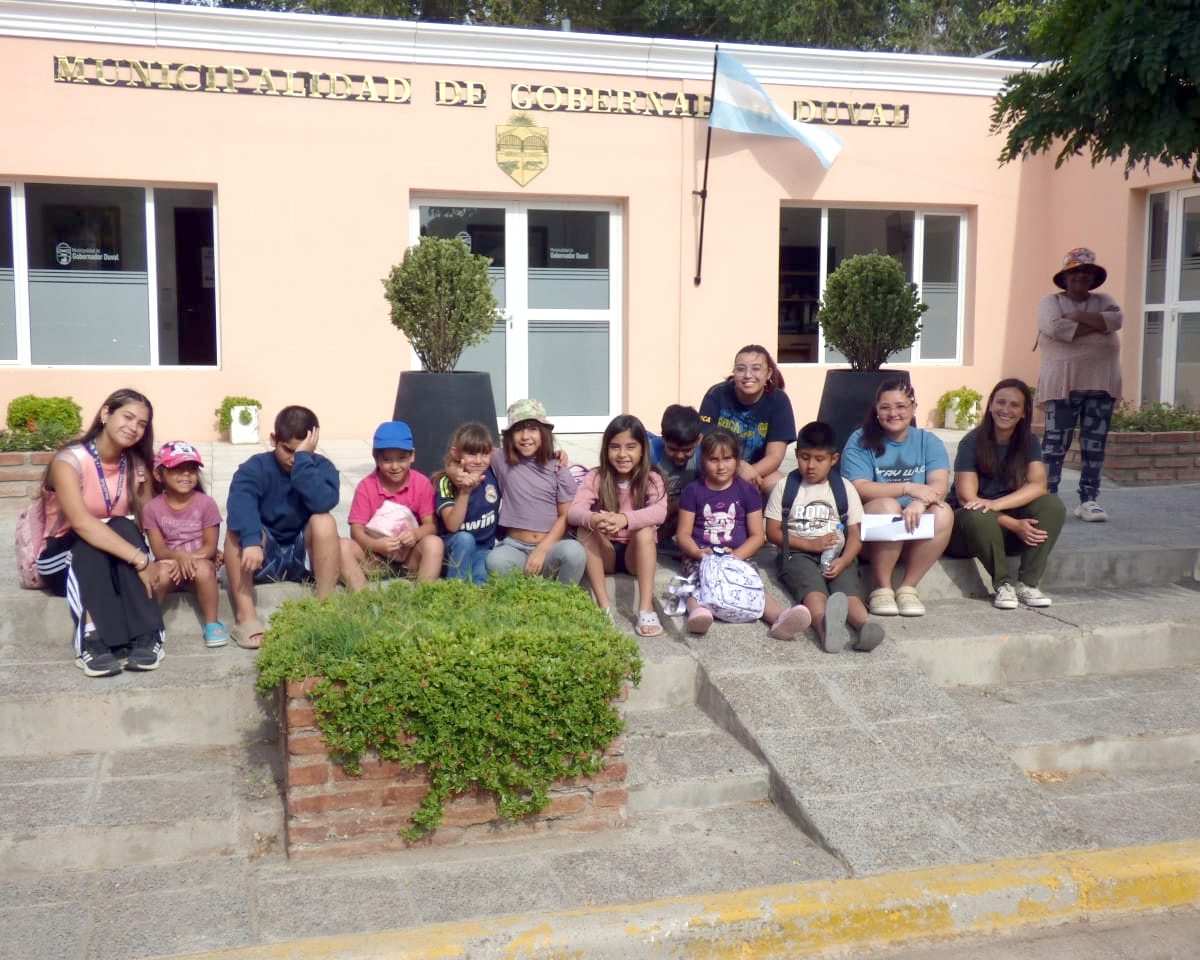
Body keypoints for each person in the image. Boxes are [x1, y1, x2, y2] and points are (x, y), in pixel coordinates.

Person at [33, 388, 164, 677]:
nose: (133, 427)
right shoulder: (69, 461)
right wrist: (140, 560)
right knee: (89, 540)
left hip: (108, 551)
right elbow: (81, 522)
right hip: (61, 555)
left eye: (141, 424)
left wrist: (167, 558)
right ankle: (92, 638)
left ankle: (147, 636)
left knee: (122, 525)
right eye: (127, 417)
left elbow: (148, 521)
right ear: (106, 414)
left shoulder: (135, 465)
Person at [224, 405, 343, 649]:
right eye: (288, 450)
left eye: (301, 451)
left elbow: (323, 502)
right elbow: (241, 504)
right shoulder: (254, 467)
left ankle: (326, 607)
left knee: (324, 520)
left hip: (301, 553)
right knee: (236, 532)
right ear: (273, 440)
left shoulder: (321, 468)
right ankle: (246, 617)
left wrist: (304, 464)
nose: (293, 458)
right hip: (263, 553)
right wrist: (251, 541)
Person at [676, 427, 811, 640]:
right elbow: (683, 533)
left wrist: (735, 557)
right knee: (695, 582)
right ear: (703, 460)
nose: (721, 466)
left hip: (737, 555)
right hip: (702, 556)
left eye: (727, 459)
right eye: (713, 460)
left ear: (737, 460)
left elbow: (758, 536)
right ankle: (698, 613)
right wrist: (697, 552)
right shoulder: (693, 491)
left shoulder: (747, 491)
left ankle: (779, 618)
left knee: (753, 583)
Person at [765, 422, 884, 653]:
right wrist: (810, 544)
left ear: (834, 459)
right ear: (796, 455)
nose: (810, 465)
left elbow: (855, 535)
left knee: (848, 591)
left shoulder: (844, 488)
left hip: (837, 554)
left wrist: (845, 560)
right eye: (805, 457)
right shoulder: (785, 487)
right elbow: (773, 532)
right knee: (813, 590)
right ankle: (824, 627)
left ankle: (865, 625)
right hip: (797, 553)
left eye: (819, 459)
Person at [947, 378, 1066, 610]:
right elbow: (966, 498)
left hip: (1004, 527)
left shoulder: (1029, 442)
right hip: (968, 531)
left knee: (1051, 505)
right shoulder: (972, 442)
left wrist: (996, 504)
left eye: (1014, 405)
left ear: (1023, 412)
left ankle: (1028, 583)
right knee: (977, 514)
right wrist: (1014, 524)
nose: (1006, 410)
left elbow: (1038, 485)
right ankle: (1003, 584)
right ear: (991, 405)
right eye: (1000, 402)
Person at [840, 379, 953, 618]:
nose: (893, 413)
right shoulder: (860, 440)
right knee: (888, 506)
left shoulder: (928, 441)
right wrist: (907, 488)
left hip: (914, 527)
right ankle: (881, 587)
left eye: (901, 406)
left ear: (914, 408)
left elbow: (939, 483)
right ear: (876, 410)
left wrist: (920, 502)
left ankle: (908, 587)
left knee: (943, 511)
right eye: (885, 407)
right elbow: (859, 487)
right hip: (871, 533)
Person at [1036, 247, 1123, 522]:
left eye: (1086, 272)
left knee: (1095, 445)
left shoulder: (1105, 299)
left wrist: (1075, 318)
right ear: (1064, 278)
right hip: (1061, 385)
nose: (1081, 277)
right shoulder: (1050, 302)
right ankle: (1048, 500)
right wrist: (1099, 324)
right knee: (1054, 445)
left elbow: (1117, 320)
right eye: (1074, 272)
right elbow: (1054, 328)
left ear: (1094, 277)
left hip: (1101, 384)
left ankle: (1089, 500)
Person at [569, 414, 667, 636]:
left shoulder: (652, 478)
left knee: (645, 529)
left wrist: (624, 519)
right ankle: (603, 607)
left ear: (642, 450)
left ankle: (646, 609)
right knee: (584, 528)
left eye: (631, 447)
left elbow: (659, 512)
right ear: (606, 450)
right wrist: (595, 519)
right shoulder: (597, 476)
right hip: (606, 554)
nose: (622, 454)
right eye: (615, 447)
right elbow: (574, 511)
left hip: (636, 555)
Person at [485, 399, 586, 585]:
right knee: (495, 561)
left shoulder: (558, 469)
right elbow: (471, 450)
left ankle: (560, 598)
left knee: (575, 552)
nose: (525, 436)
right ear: (509, 436)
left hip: (550, 547)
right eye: (518, 430)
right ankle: (522, 599)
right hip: (514, 548)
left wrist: (542, 550)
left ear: (544, 433)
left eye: (533, 429)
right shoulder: (501, 459)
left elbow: (565, 516)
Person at [343, 421, 445, 591]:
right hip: (374, 558)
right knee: (343, 546)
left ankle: (424, 593)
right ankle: (362, 595)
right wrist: (376, 545)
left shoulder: (421, 483)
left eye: (401, 458)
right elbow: (356, 531)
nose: (395, 466)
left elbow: (431, 526)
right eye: (387, 460)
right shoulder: (366, 486)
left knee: (434, 543)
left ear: (412, 456)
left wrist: (415, 534)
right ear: (376, 458)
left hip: (409, 557)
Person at [144, 440, 226, 648]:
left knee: (204, 570)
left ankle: (212, 623)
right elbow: (159, 550)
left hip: (199, 562)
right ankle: (148, 624)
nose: (186, 475)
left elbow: (210, 546)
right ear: (159, 475)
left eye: (191, 469)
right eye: (177, 470)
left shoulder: (206, 504)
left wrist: (188, 560)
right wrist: (179, 558)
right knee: (159, 574)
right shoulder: (152, 509)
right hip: (170, 564)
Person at [699, 344, 796, 498]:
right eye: (741, 369)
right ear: (734, 372)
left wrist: (749, 475)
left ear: (768, 373)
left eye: (756, 368)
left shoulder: (778, 400)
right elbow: (703, 441)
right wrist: (737, 467)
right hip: (718, 466)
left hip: (757, 472)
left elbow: (775, 456)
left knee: (778, 484)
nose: (747, 375)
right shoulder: (716, 395)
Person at [433, 422, 500, 585]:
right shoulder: (446, 482)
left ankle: (475, 597)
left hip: (483, 549)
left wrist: (555, 454)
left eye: (484, 454)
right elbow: (452, 526)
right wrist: (464, 492)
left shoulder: (492, 473)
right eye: (471, 454)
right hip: (454, 548)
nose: (478, 460)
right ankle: (455, 588)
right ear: (456, 453)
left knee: (480, 579)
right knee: (465, 539)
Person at [648, 403, 701, 552]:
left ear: (698, 441)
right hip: (649, 509)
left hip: (678, 512)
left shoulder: (701, 457)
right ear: (663, 439)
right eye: (672, 449)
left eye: (687, 450)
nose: (680, 456)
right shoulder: (650, 453)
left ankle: (662, 539)